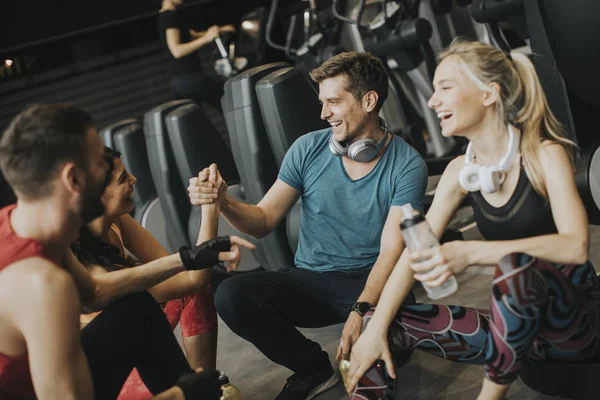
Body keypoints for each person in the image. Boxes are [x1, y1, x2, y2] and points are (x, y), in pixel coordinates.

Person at [345, 39, 600, 400]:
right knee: (381, 322)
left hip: (575, 325)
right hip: (512, 329)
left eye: (445, 88)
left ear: (488, 94)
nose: (433, 101)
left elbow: (575, 246)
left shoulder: (545, 154)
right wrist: (373, 325)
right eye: (433, 91)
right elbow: (412, 255)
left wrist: (471, 253)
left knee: (517, 268)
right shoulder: (459, 172)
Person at [187, 51, 429, 400]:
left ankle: (385, 331)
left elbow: (392, 251)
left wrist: (362, 310)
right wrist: (222, 200)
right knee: (231, 294)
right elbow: (262, 220)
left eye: (333, 101)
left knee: (392, 349)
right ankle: (311, 368)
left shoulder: (407, 165)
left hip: (372, 281)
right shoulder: (308, 149)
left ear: (369, 100)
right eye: (321, 102)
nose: (323, 113)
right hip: (311, 280)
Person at [0, 103, 239, 399]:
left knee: (135, 307)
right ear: (74, 179)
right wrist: (180, 395)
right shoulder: (43, 284)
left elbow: (95, 294)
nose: (106, 166)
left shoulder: (20, 223)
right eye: (99, 162)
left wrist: (186, 258)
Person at [70, 146, 253, 399]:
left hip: (137, 326)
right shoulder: (88, 263)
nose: (134, 179)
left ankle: (201, 381)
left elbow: (179, 271)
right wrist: (210, 205)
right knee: (154, 298)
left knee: (191, 294)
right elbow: (192, 277)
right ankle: (192, 390)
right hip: (111, 368)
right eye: (123, 179)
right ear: (97, 197)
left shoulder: (117, 219)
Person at [158, 0, 236, 113]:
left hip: (179, 81)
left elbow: (193, 35)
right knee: (230, 107)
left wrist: (220, 30)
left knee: (193, 122)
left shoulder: (167, 16)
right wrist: (206, 38)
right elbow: (177, 51)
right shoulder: (169, 16)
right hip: (189, 77)